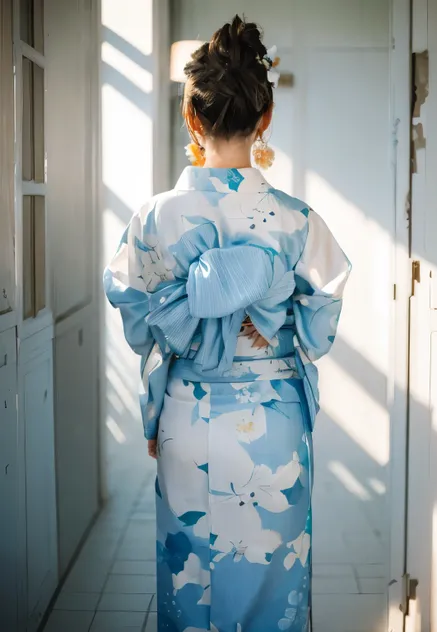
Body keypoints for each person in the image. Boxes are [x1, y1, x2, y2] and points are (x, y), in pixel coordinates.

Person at [104, 14, 351, 632]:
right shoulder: (296, 220)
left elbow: (134, 313)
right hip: (273, 418)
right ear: (264, 119)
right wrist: (272, 319)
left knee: (192, 582)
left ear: (192, 117)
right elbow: (321, 321)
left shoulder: (154, 219)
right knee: (275, 578)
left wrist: (191, 318)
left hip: (188, 415)